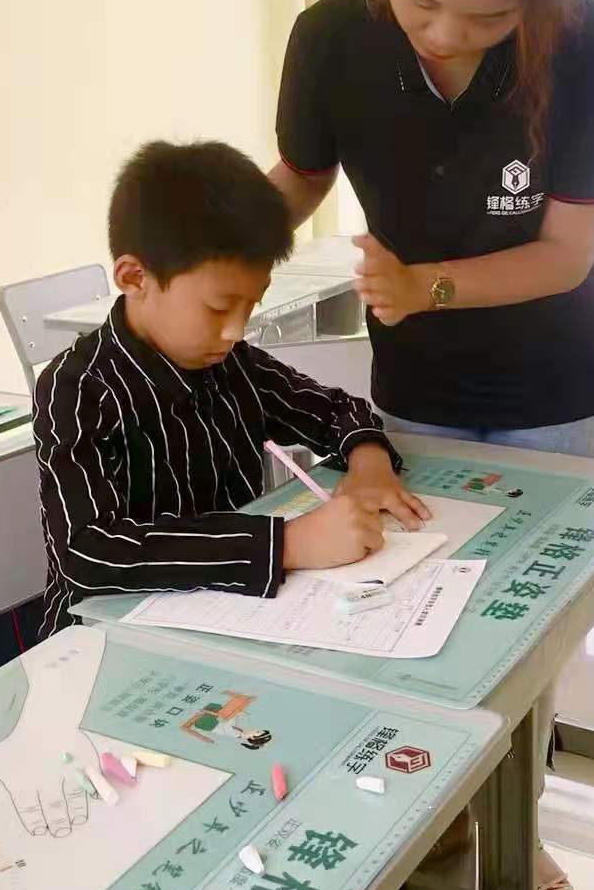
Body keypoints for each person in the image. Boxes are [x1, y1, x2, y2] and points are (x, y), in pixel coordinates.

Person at [269, 0, 594, 890]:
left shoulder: (590, 46)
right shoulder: (331, 35)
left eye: (488, 17)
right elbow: (299, 176)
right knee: (423, 603)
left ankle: (523, 818)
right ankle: (448, 808)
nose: (443, 33)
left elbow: (564, 255)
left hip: (555, 377)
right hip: (417, 382)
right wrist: (214, 251)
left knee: (524, 617)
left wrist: (421, 284)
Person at [33, 140, 429, 638]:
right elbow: (88, 552)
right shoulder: (79, 387)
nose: (235, 330)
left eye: (250, 305)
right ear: (135, 277)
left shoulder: (231, 364)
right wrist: (285, 545)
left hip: (230, 619)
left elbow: (335, 411)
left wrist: (368, 461)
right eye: (219, 307)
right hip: (103, 637)